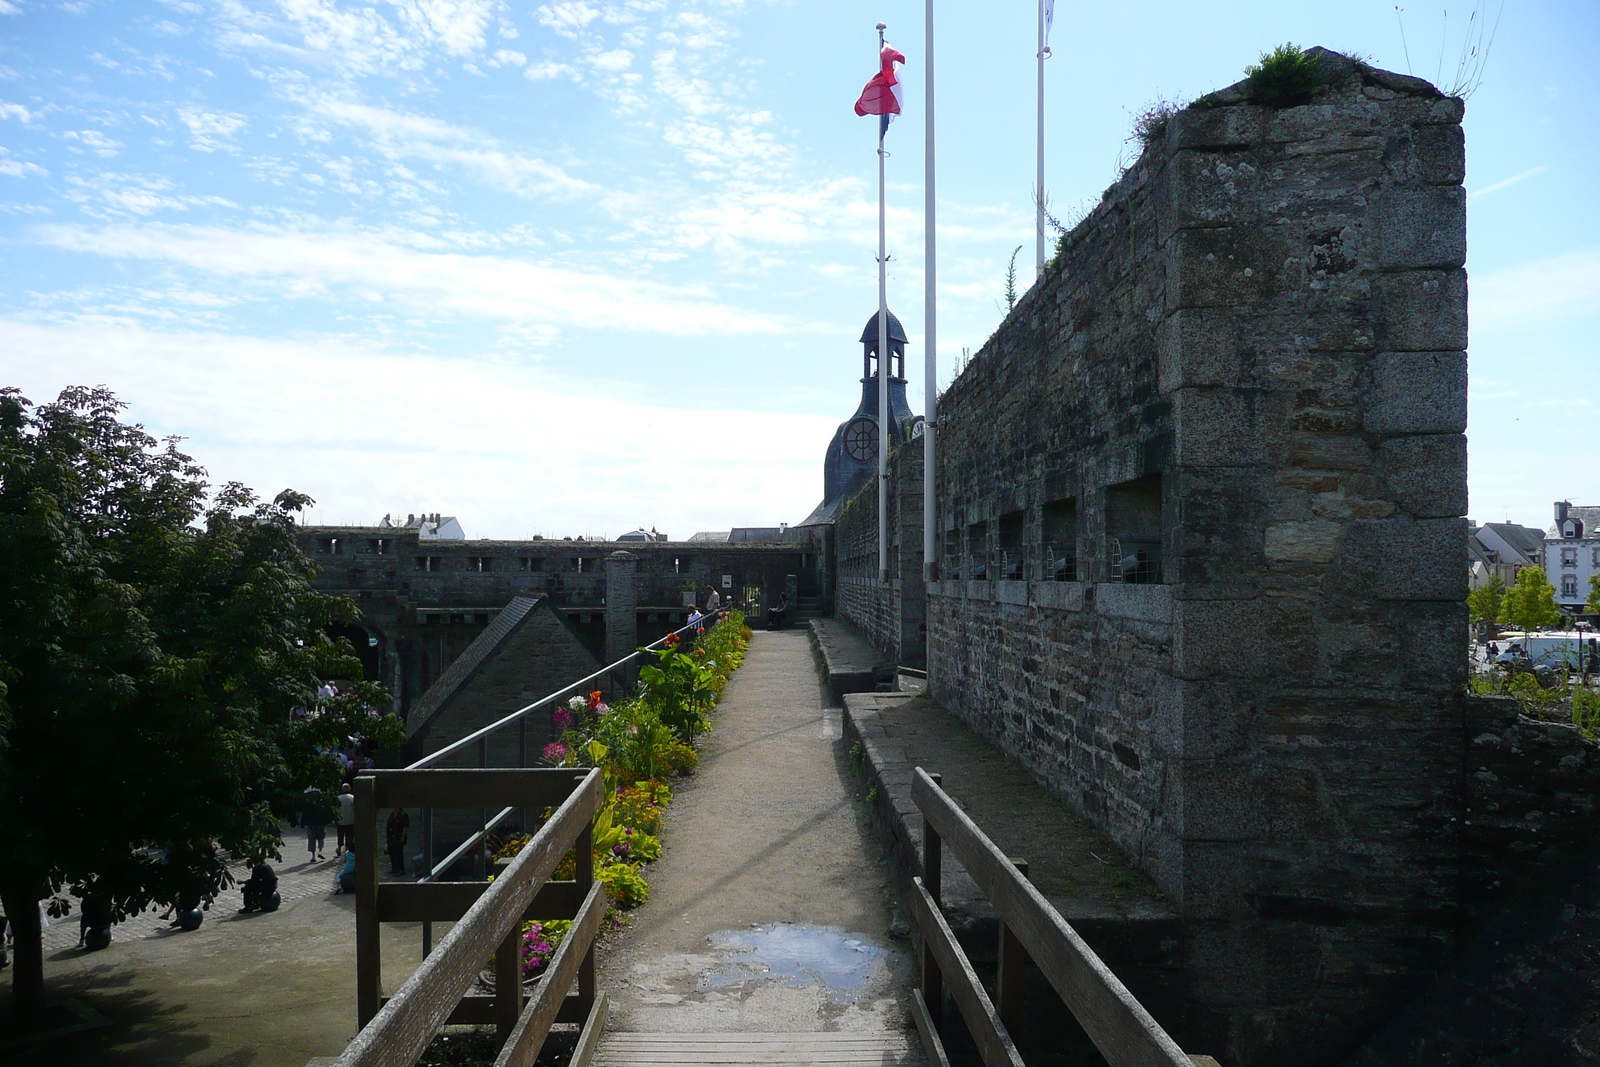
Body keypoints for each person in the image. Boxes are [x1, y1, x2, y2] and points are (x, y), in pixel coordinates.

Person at [303, 786, 331, 861]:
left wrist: (302, 823)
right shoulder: (322, 803)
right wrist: (328, 821)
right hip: (320, 823)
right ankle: (320, 851)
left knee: (312, 839)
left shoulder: (308, 803)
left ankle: (313, 856)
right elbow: (326, 813)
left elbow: (305, 814)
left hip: (310, 823)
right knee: (321, 838)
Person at [386, 808, 410, 876]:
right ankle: (394, 868)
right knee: (392, 853)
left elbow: (405, 826)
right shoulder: (392, 814)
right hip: (391, 837)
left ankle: (400, 869)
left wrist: (402, 836)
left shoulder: (403, 814)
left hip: (398, 837)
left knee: (398, 853)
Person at [335, 783, 356, 856]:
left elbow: (336, 810)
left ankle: (339, 848)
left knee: (340, 835)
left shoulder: (338, 798)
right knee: (349, 835)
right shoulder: (353, 798)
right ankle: (347, 849)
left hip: (340, 820)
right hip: (351, 820)